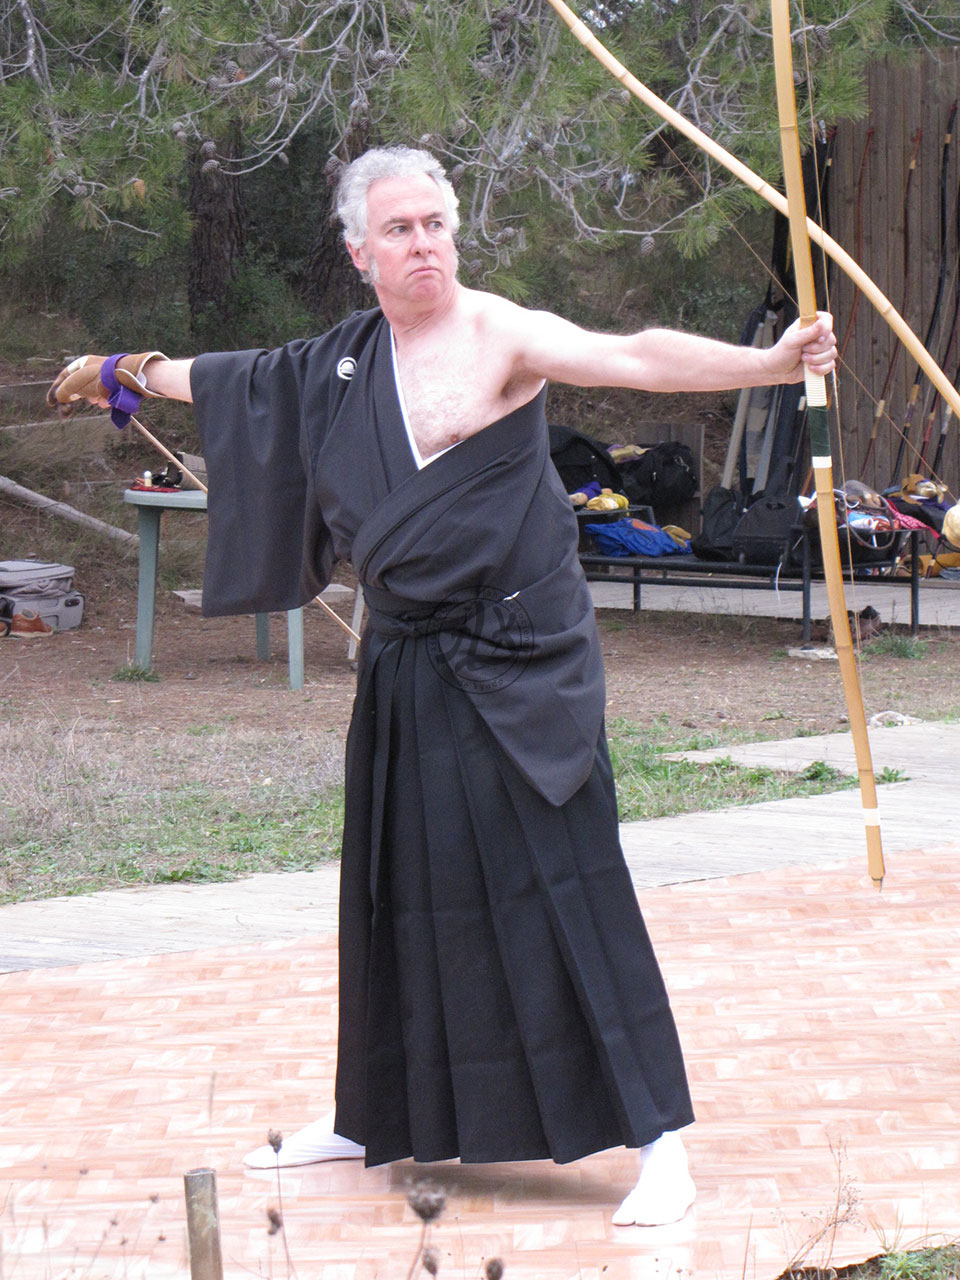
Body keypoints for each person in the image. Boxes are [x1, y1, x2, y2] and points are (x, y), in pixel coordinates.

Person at [48, 146, 836, 1227]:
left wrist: (770, 364)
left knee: (569, 886)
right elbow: (237, 380)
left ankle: (661, 1141)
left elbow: (632, 355)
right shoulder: (340, 363)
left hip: (520, 659)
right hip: (408, 660)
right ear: (359, 251)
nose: (424, 245)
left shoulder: (497, 332)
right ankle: (371, 1113)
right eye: (401, 229)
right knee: (397, 891)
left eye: (435, 224)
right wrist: (130, 369)